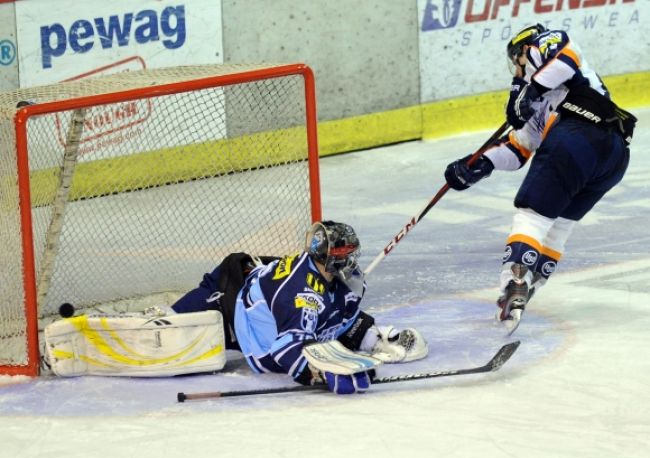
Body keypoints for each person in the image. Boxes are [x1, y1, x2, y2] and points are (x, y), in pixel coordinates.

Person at [443, 24, 636, 333]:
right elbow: (519, 148)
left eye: (516, 61)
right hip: (612, 157)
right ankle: (527, 287)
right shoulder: (544, 103)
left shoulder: (546, 42)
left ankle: (515, 280)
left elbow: (566, 57)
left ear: (523, 51)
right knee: (559, 225)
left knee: (531, 215)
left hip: (579, 137)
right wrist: (478, 165)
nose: (517, 70)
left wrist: (529, 89)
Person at [172, 220, 428, 393]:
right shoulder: (300, 296)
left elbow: (335, 311)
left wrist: (366, 335)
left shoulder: (329, 274)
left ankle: (370, 336)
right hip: (226, 302)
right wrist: (324, 375)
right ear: (330, 257)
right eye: (346, 251)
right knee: (168, 328)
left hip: (262, 295)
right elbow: (286, 349)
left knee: (332, 308)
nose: (351, 257)